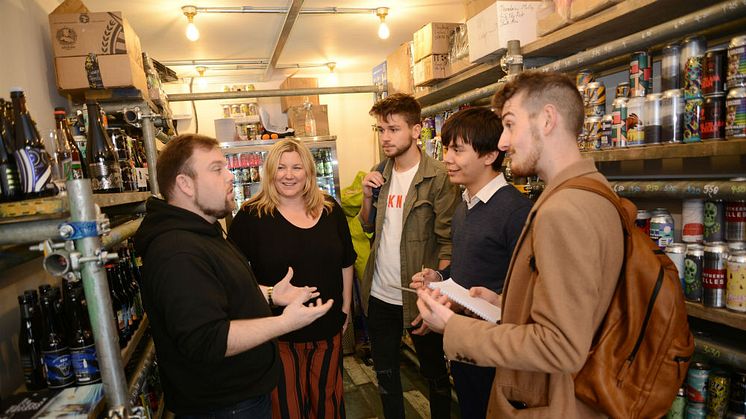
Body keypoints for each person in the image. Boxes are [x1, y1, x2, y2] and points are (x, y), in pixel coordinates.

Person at [416, 71, 624, 418]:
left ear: (547, 120)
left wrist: (454, 328)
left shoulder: (563, 210)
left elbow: (561, 347)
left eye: (510, 125)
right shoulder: (593, 190)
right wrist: (504, 305)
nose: (502, 143)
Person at [134, 134, 333, 418]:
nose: (229, 176)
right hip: (225, 407)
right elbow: (208, 339)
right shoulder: (178, 252)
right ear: (185, 184)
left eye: (226, 167)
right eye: (217, 169)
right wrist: (285, 322)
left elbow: (221, 296)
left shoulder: (204, 232)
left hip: (240, 400)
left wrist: (269, 294)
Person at [411, 107, 531, 419]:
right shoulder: (464, 205)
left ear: (490, 155)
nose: (447, 158)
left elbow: (528, 288)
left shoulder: (516, 211)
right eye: (446, 148)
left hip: (498, 353)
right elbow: (468, 266)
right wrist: (439, 276)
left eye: (457, 150)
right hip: (466, 345)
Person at [227, 139, 355, 419]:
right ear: (270, 172)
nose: (289, 175)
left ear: (309, 172)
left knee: (328, 405)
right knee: (287, 409)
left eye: (297, 167)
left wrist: (345, 309)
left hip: (327, 329)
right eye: (281, 167)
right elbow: (233, 276)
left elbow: (347, 262)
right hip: (278, 334)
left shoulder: (331, 209)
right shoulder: (251, 215)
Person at [358, 93, 460, 419]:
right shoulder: (379, 171)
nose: (385, 137)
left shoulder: (439, 177)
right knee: (386, 377)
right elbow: (367, 225)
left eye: (393, 129)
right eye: (381, 130)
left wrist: (435, 296)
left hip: (419, 295)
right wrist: (365, 195)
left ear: (416, 130)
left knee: (435, 376)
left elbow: (447, 243)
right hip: (379, 294)